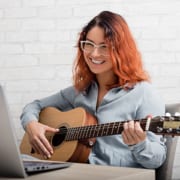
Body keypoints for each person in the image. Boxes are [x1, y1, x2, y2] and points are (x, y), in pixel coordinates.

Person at [20, 11, 166, 169]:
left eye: (104, 46)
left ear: (121, 50)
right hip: (75, 171)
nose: (94, 53)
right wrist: (32, 125)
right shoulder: (80, 91)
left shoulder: (144, 93)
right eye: (89, 44)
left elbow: (157, 161)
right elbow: (34, 106)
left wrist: (140, 144)